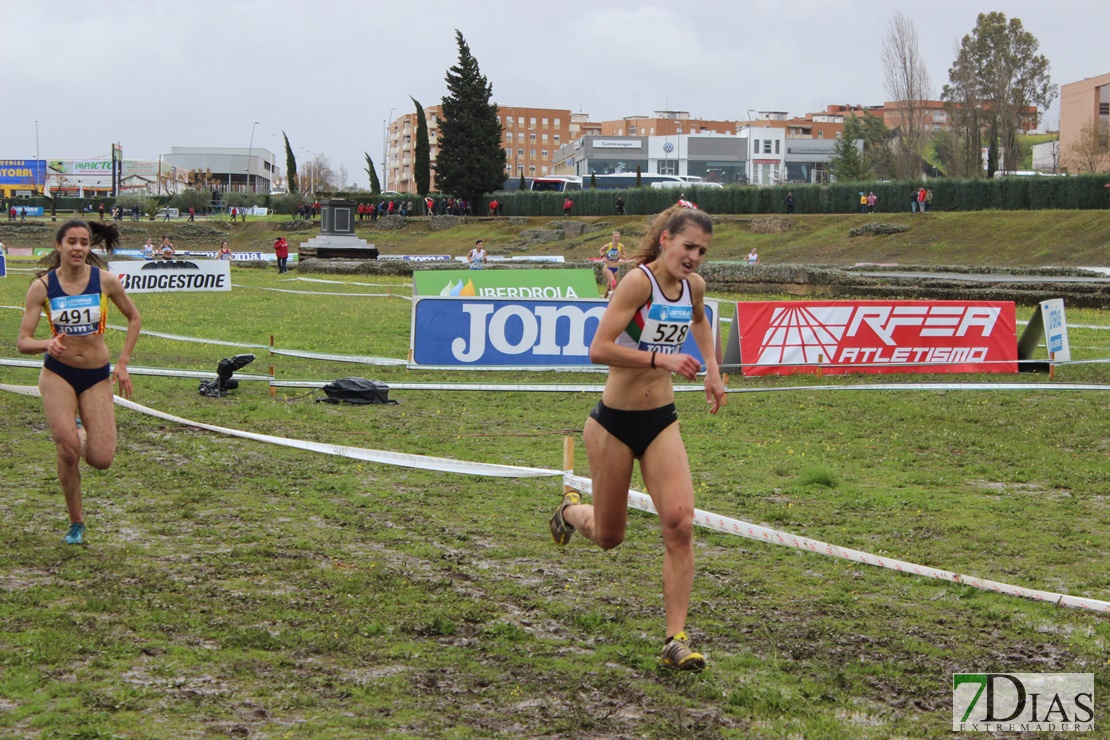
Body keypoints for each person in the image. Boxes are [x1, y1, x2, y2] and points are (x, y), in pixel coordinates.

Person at [549, 205, 724, 672]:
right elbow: (598, 349)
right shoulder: (637, 283)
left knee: (680, 522)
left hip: (660, 420)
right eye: (688, 246)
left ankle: (675, 639)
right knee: (609, 537)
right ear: (665, 240)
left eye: (702, 251)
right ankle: (568, 510)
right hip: (613, 425)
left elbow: (702, 321)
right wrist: (661, 360)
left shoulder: (694, 288)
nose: (694, 258)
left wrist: (713, 371)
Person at [16, 219, 141, 545]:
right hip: (58, 373)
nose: (78, 247)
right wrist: (47, 344)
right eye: (71, 241)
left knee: (101, 460)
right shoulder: (42, 288)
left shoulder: (106, 281)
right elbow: (23, 341)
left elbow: (134, 318)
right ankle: (76, 523)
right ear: (58, 246)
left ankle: (78, 428)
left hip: (96, 375)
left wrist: (123, 363)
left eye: (84, 242)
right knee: (68, 452)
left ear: (89, 247)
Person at [599, 230, 626, 298]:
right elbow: (601, 250)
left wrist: (621, 255)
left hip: (616, 268)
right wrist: (603, 257)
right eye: (615, 237)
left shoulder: (621, 246)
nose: (616, 239)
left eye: (618, 237)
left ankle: (604, 299)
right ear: (612, 238)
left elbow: (625, 257)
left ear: (619, 238)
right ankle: (611, 301)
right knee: (613, 283)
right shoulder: (608, 245)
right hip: (607, 267)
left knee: (609, 286)